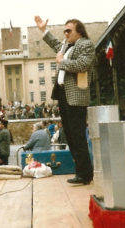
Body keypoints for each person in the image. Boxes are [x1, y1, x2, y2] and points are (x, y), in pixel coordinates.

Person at [34, 15, 94, 185]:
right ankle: (81, 172)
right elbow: (54, 43)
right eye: (64, 31)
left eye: (69, 30)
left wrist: (62, 62)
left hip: (75, 97)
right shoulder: (67, 45)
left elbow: (83, 65)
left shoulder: (86, 44)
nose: (66, 34)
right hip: (63, 95)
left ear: (79, 31)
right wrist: (43, 30)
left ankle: (85, 174)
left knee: (78, 136)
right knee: (69, 135)